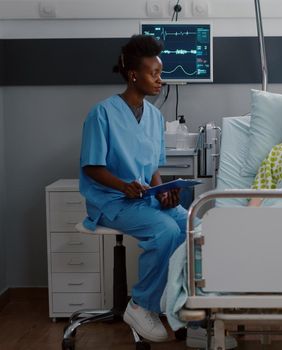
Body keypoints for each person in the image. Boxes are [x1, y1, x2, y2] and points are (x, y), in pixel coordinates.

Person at [79, 35, 186, 343]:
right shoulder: (102, 113)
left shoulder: (154, 116)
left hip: (144, 200)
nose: (160, 80)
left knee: (193, 227)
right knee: (166, 231)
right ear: (133, 75)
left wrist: (163, 192)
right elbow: (92, 166)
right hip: (111, 201)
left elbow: (152, 167)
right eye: (154, 73)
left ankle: (177, 304)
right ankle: (140, 305)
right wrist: (123, 186)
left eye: (160, 73)